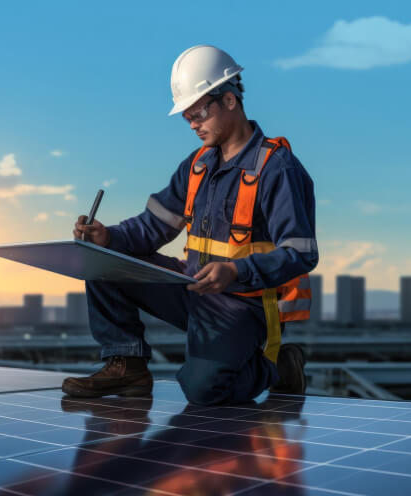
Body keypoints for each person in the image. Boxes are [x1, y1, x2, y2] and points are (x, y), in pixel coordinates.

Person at [63, 45, 318, 406]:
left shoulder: (278, 168)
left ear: (229, 100)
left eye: (198, 113)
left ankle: (278, 367)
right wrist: (108, 236)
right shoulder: (196, 166)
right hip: (193, 288)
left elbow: (300, 254)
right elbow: (153, 226)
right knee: (103, 259)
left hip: (246, 305)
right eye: (187, 118)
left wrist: (235, 270)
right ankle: (127, 366)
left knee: (202, 389)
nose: (193, 125)